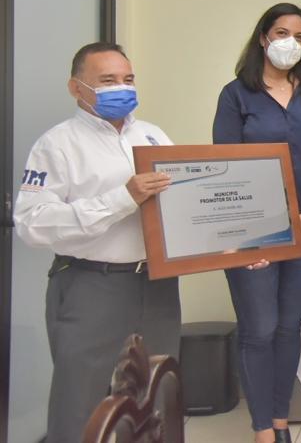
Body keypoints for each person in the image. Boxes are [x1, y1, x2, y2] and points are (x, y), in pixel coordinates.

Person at [13, 42, 180, 443]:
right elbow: (32, 223)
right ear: (76, 87)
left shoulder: (153, 135)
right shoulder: (57, 144)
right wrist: (123, 198)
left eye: (128, 79)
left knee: (155, 401)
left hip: (156, 285)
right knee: (81, 408)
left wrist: (238, 245)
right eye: (107, 80)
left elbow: (182, 209)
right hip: (92, 284)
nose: (121, 88)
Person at [213, 3, 301, 443]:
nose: (291, 43)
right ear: (264, 38)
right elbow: (225, 167)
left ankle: (282, 419)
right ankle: (262, 428)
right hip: (254, 233)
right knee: (260, 329)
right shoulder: (236, 95)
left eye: (300, 37)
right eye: (283, 33)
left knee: (289, 326)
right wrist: (247, 234)